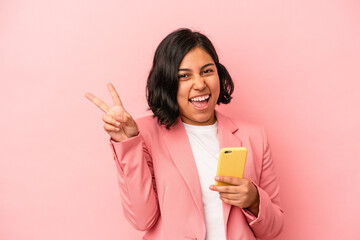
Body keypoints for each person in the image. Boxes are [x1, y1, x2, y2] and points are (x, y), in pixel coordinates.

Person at [85, 28, 283, 240]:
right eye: (184, 76)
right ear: (167, 83)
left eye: (207, 71)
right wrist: (128, 144)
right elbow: (142, 219)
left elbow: (274, 229)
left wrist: (254, 200)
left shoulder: (253, 136)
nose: (199, 84)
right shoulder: (144, 134)